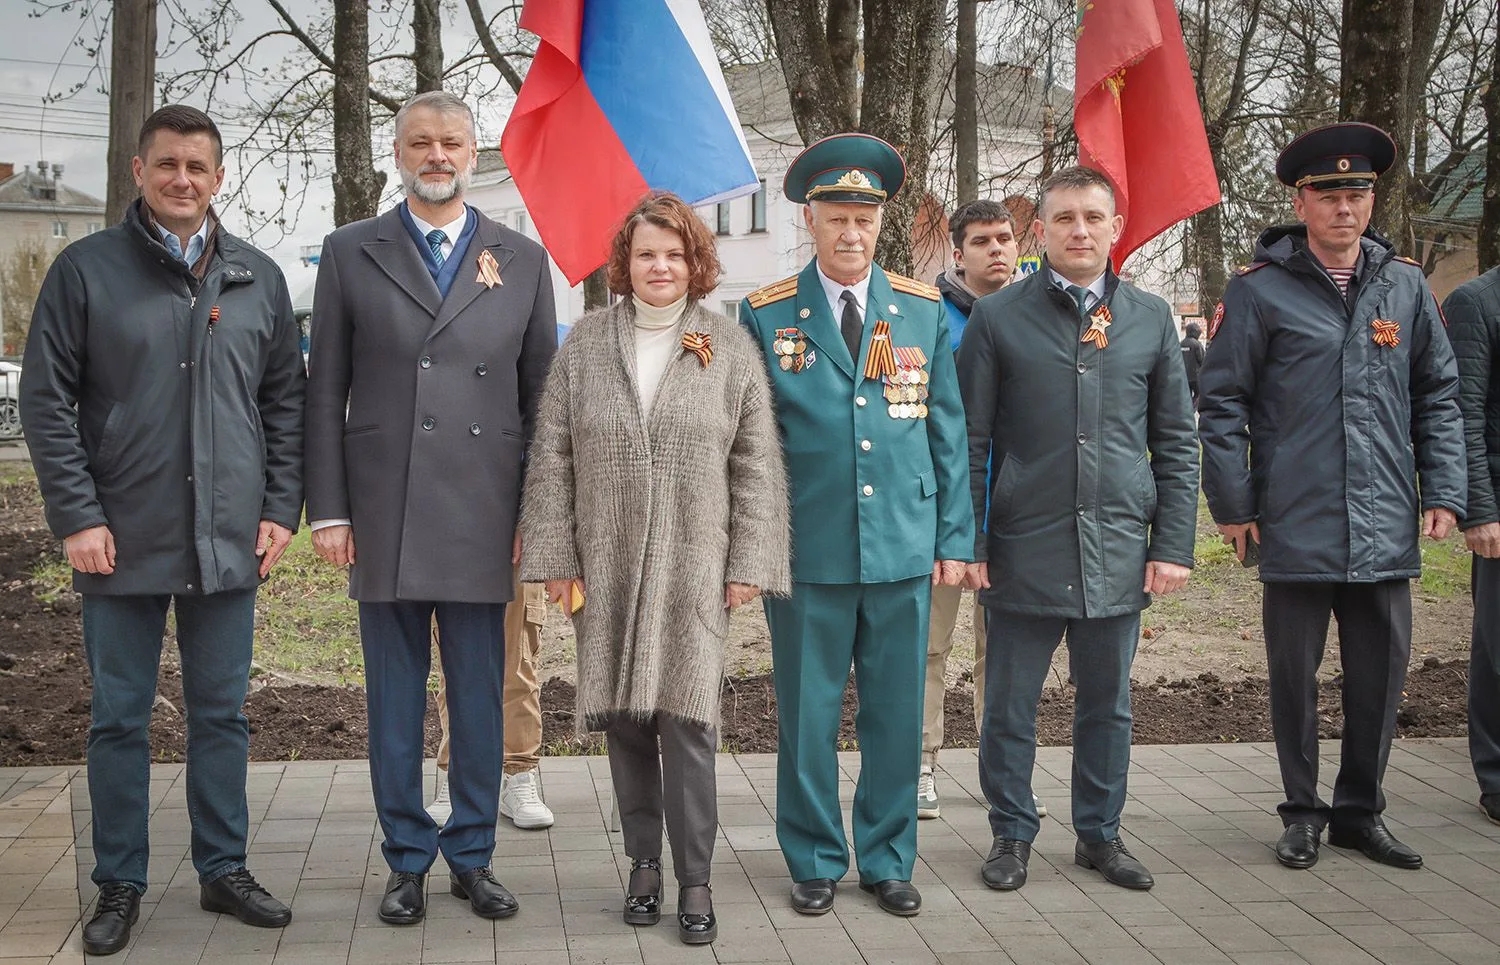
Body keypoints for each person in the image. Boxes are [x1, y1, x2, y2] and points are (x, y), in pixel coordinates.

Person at [19, 105, 304, 954]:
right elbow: (46, 401)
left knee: (222, 714)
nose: (184, 179)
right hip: (120, 538)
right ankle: (119, 880)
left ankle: (224, 868)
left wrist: (278, 506)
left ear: (219, 179)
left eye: (200, 167)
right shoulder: (85, 270)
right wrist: (76, 516)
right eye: (169, 164)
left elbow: (285, 400)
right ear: (140, 171)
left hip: (228, 540)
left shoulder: (256, 276)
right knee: (119, 717)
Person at [304, 90, 557, 925]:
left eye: (451, 141)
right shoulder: (350, 251)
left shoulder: (521, 258)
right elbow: (324, 390)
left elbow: (542, 401)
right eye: (421, 142)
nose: (436, 155)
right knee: (394, 698)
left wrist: (538, 512)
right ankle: (408, 857)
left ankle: (473, 855)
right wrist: (330, 511)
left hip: (488, 511)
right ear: (399, 152)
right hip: (387, 509)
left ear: (474, 151)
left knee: (480, 695)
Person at [522, 191, 790, 945]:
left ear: (695, 261)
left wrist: (748, 562)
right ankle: (643, 864)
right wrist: (551, 554)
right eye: (647, 253)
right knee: (628, 723)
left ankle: (695, 878)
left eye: (674, 253)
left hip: (694, 561)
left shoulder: (728, 346)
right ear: (626, 263)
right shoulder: (585, 345)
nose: (660, 266)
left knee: (688, 721)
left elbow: (756, 465)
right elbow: (553, 456)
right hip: (602, 561)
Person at [1199, 122, 1465, 872]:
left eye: (1357, 193)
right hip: (1295, 517)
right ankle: (1302, 811)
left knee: (1381, 678)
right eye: (1329, 193)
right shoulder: (1259, 291)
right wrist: (1234, 503)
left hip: (1383, 519)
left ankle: (1359, 812)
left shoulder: (1404, 284)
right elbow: (1221, 405)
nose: (1345, 207)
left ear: (1371, 199)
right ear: (1301, 199)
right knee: (1295, 677)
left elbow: (1438, 394)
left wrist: (1443, 486)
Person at [740, 133, 973, 918]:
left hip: (904, 546)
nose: (851, 234)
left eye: (864, 220)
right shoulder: (767, 314)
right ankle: (812, 856)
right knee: (807, 717)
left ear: (881, 224)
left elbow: (947, 431)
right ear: (810, 219)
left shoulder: (921, 308)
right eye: (836, 217)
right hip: (808, 550)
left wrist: (954, 539)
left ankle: (887, 856)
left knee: (897, 714)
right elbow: (751, 443)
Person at [958, 165, 1198, 893]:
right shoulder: (997, 317)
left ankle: (1100, 833)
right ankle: (1011, 833)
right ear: (1042, 230)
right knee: (1008, 705)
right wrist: (969, 543)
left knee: (1108, 705)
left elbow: (1177, 440)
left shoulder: (1151, 317)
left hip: (1120, 548)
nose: (1080, 230)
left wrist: (1174, 544)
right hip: (1022, 548)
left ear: (1115, 225)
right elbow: (967, 439)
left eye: (1094, 217)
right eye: (1064, 218)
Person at [921, 199, 1037, 820]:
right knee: (930, 645)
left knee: (1006, 651)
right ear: (957, 250)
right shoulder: (928, 315)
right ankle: (922, 765)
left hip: (1014, 513)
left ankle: (1005, 773)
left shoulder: (1035, 312)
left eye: (1005, 238)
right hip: (942, 511)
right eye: (982, 241)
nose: (997, 250)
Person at [1441, 265, 1500, 824]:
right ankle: (1498, 777)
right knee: (1497, 649)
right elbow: (1464, 415)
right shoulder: (1476, 302)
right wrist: (1479, 509)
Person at [427, 581, 555, 831]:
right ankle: (458, 779)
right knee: (456, 665)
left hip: (516, 552)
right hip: (451, 551)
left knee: (518, 662)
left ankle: (518, 774)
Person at [1180, 321, 1206, 408]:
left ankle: (1186, 410)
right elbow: (1202, 360)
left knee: (1186, 396)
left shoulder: (1180, 344)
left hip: (1183, 375)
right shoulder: (1196, 344)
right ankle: (1192, 410)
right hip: (1195, 376)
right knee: (1199, 394)